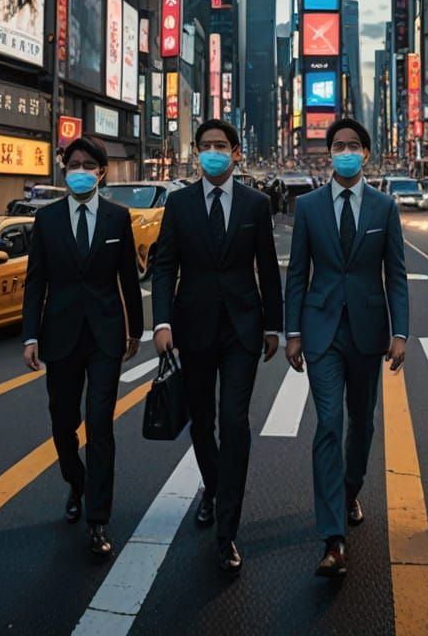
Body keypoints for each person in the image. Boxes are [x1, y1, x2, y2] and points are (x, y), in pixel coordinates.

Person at [152, 119, 283, 576]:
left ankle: (228, 528)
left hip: (242, 328)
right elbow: (164, 266)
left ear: (236, 153)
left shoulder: (255, 203)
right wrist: (162, 322)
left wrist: (273, 327)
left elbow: (268, 267)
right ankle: (212, 487)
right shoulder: (179, 203)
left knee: (234, 420)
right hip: (193, 326)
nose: (212, 152)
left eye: (220, 146)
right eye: (205, 145)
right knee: (202, 422)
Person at [285, 117, 409, 579]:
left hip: (367, 330)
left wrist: (401, 333)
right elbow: (297, 273)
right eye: (338, 145)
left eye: (353, 144)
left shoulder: (384, 207)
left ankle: (350, 488)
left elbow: (395, 275)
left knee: (363, 422)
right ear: (328, 153)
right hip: (320, 330)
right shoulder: (310, 206)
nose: (345, 151)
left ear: (367, 153)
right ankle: (332, 537)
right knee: (328, 424)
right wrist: (291, 332)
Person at [22, 135, 143, 558]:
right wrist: (30, 334)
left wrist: (137, 331)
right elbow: (36, 280)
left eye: (88, 164)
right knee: (62, 422)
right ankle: (76, 480)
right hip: (60, 335)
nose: (80, 171)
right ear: (64, 168)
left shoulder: (116, 218)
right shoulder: (48, 220)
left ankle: (98, 518)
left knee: (100, 424)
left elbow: (129, 277)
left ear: (101, 172)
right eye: (73, 164)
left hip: (106, 335)